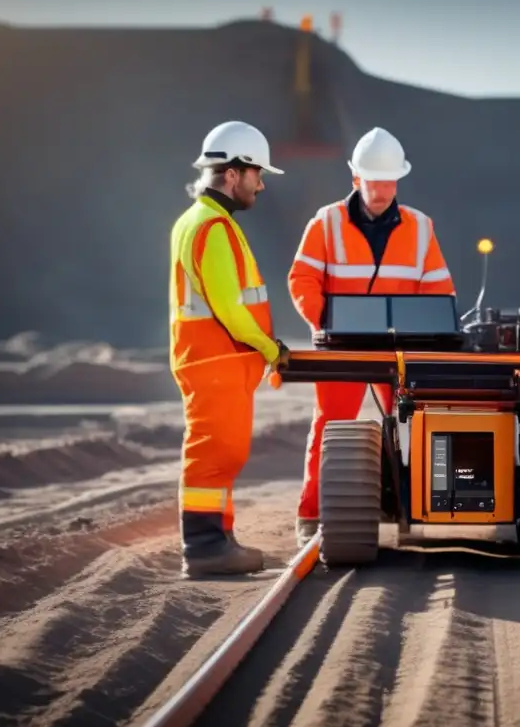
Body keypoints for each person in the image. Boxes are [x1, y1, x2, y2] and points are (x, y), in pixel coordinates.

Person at [287, 127, 456, 544]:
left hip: (399, 352)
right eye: (374, 181)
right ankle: (311, 516)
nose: (382, 191)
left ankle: (406, 509)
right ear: (355, 178)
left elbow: (439, 291)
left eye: (389, 181)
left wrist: (428, 336)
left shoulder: (420, 226)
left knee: (411, 424)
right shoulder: (326, 223)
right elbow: (302, 278)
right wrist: (323, 322)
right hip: (341, 348)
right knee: (329, 427)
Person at [169, 120, 291, 578]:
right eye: (258, 173)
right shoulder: (212, 227)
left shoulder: (197, 221)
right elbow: (229, 307)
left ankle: (218, 538)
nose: (262, 183)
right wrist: (269, 346)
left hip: (212, 360)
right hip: (215, 359)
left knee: (222, 453)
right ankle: (203, 548)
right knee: (212, 452)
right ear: (234, 173)